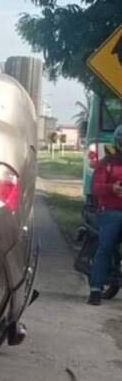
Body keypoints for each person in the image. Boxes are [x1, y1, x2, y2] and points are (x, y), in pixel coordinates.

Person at [88, 124, 122, 305]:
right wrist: (112, 188)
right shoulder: (107, 163)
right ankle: (95, 289)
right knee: (105, 247)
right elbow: (95, 188)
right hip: (110, 211)